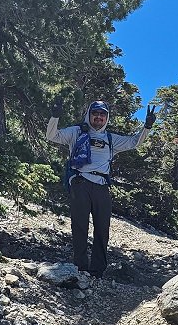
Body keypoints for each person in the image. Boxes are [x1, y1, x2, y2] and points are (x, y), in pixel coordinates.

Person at [46, 99, 156, 277]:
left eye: (102, 114)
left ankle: (97, 271)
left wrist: (147, 127)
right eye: (95, 113)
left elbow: (134, 142)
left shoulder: (111, 139)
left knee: (102, 228)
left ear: (107, 117)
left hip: (102, 186)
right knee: (79, 227)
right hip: (80, 183)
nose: (98, 117)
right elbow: (52, 136)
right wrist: (54, 117)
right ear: (89, 115)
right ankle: (80, 268)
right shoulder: (76, 132)